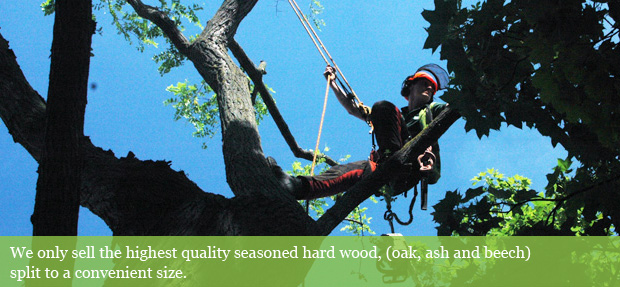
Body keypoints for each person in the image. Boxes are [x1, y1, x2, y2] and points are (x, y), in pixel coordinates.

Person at [269, 64, 449, 200]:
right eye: (425, 84)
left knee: (384, 108)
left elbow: (455, 107)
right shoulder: (394, 116)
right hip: (388, 169)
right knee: (356, 168)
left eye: (432, 88)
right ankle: (295, 187)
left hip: (411, 170)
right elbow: (353, 109)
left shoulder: (433, 110)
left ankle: (395, 162)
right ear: (410, 87)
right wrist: (332, 83)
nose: (429, 88)